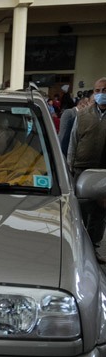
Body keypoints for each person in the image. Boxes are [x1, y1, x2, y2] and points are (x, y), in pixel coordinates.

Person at [66, 77, 106, 253]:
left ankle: (94, 248)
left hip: (102, 172)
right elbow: (73, 142)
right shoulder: (82, 115)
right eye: (97, 91)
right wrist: (69, 167)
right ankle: (78, 248)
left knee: (99, 212)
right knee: (78, 211)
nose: (100, 94)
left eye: (104, 90)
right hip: (81, 169)